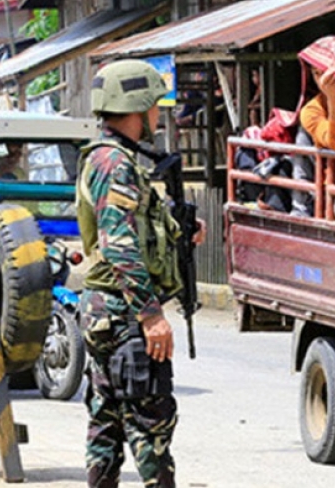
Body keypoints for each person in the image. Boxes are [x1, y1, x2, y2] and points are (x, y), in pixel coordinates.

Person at [77, 59, 206, 488]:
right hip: (123, 313)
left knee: (107, 423)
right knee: (150, 428)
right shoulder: (115, 163)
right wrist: (150, 315)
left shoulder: (118, 160)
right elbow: (118, 243)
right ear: (136, 106)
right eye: (154, 106)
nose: (157, 115)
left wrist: (178, 230)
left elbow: (135, 228)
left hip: (106, 311)